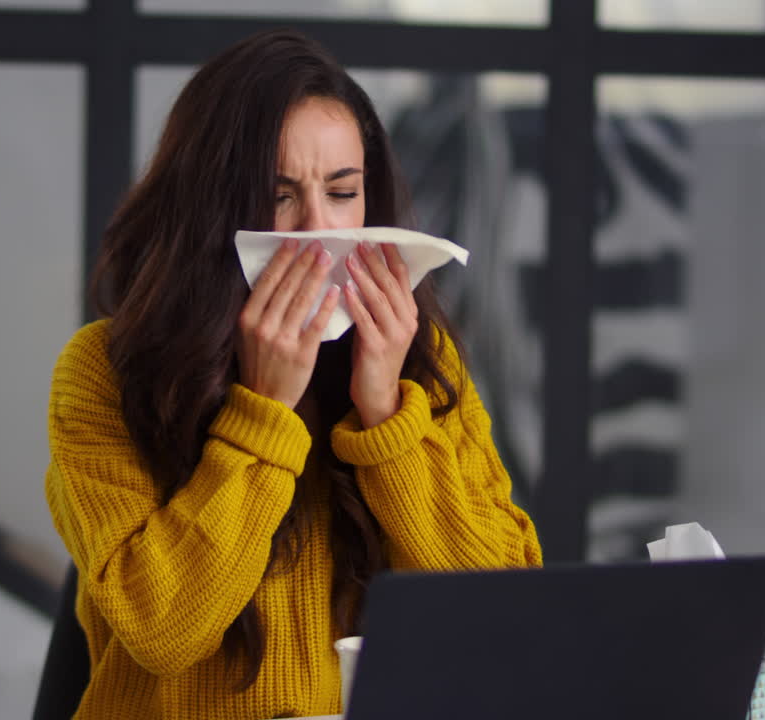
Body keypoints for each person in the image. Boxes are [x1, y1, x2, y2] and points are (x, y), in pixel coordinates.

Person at [44, 28, 542, 720]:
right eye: (280, 197)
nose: (317, 230)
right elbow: (162, 628)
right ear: (209, 208)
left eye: (343, 192)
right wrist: (262, 412)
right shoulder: (101, 372)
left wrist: (387, 416)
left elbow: (506, 613)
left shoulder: (419, 363)